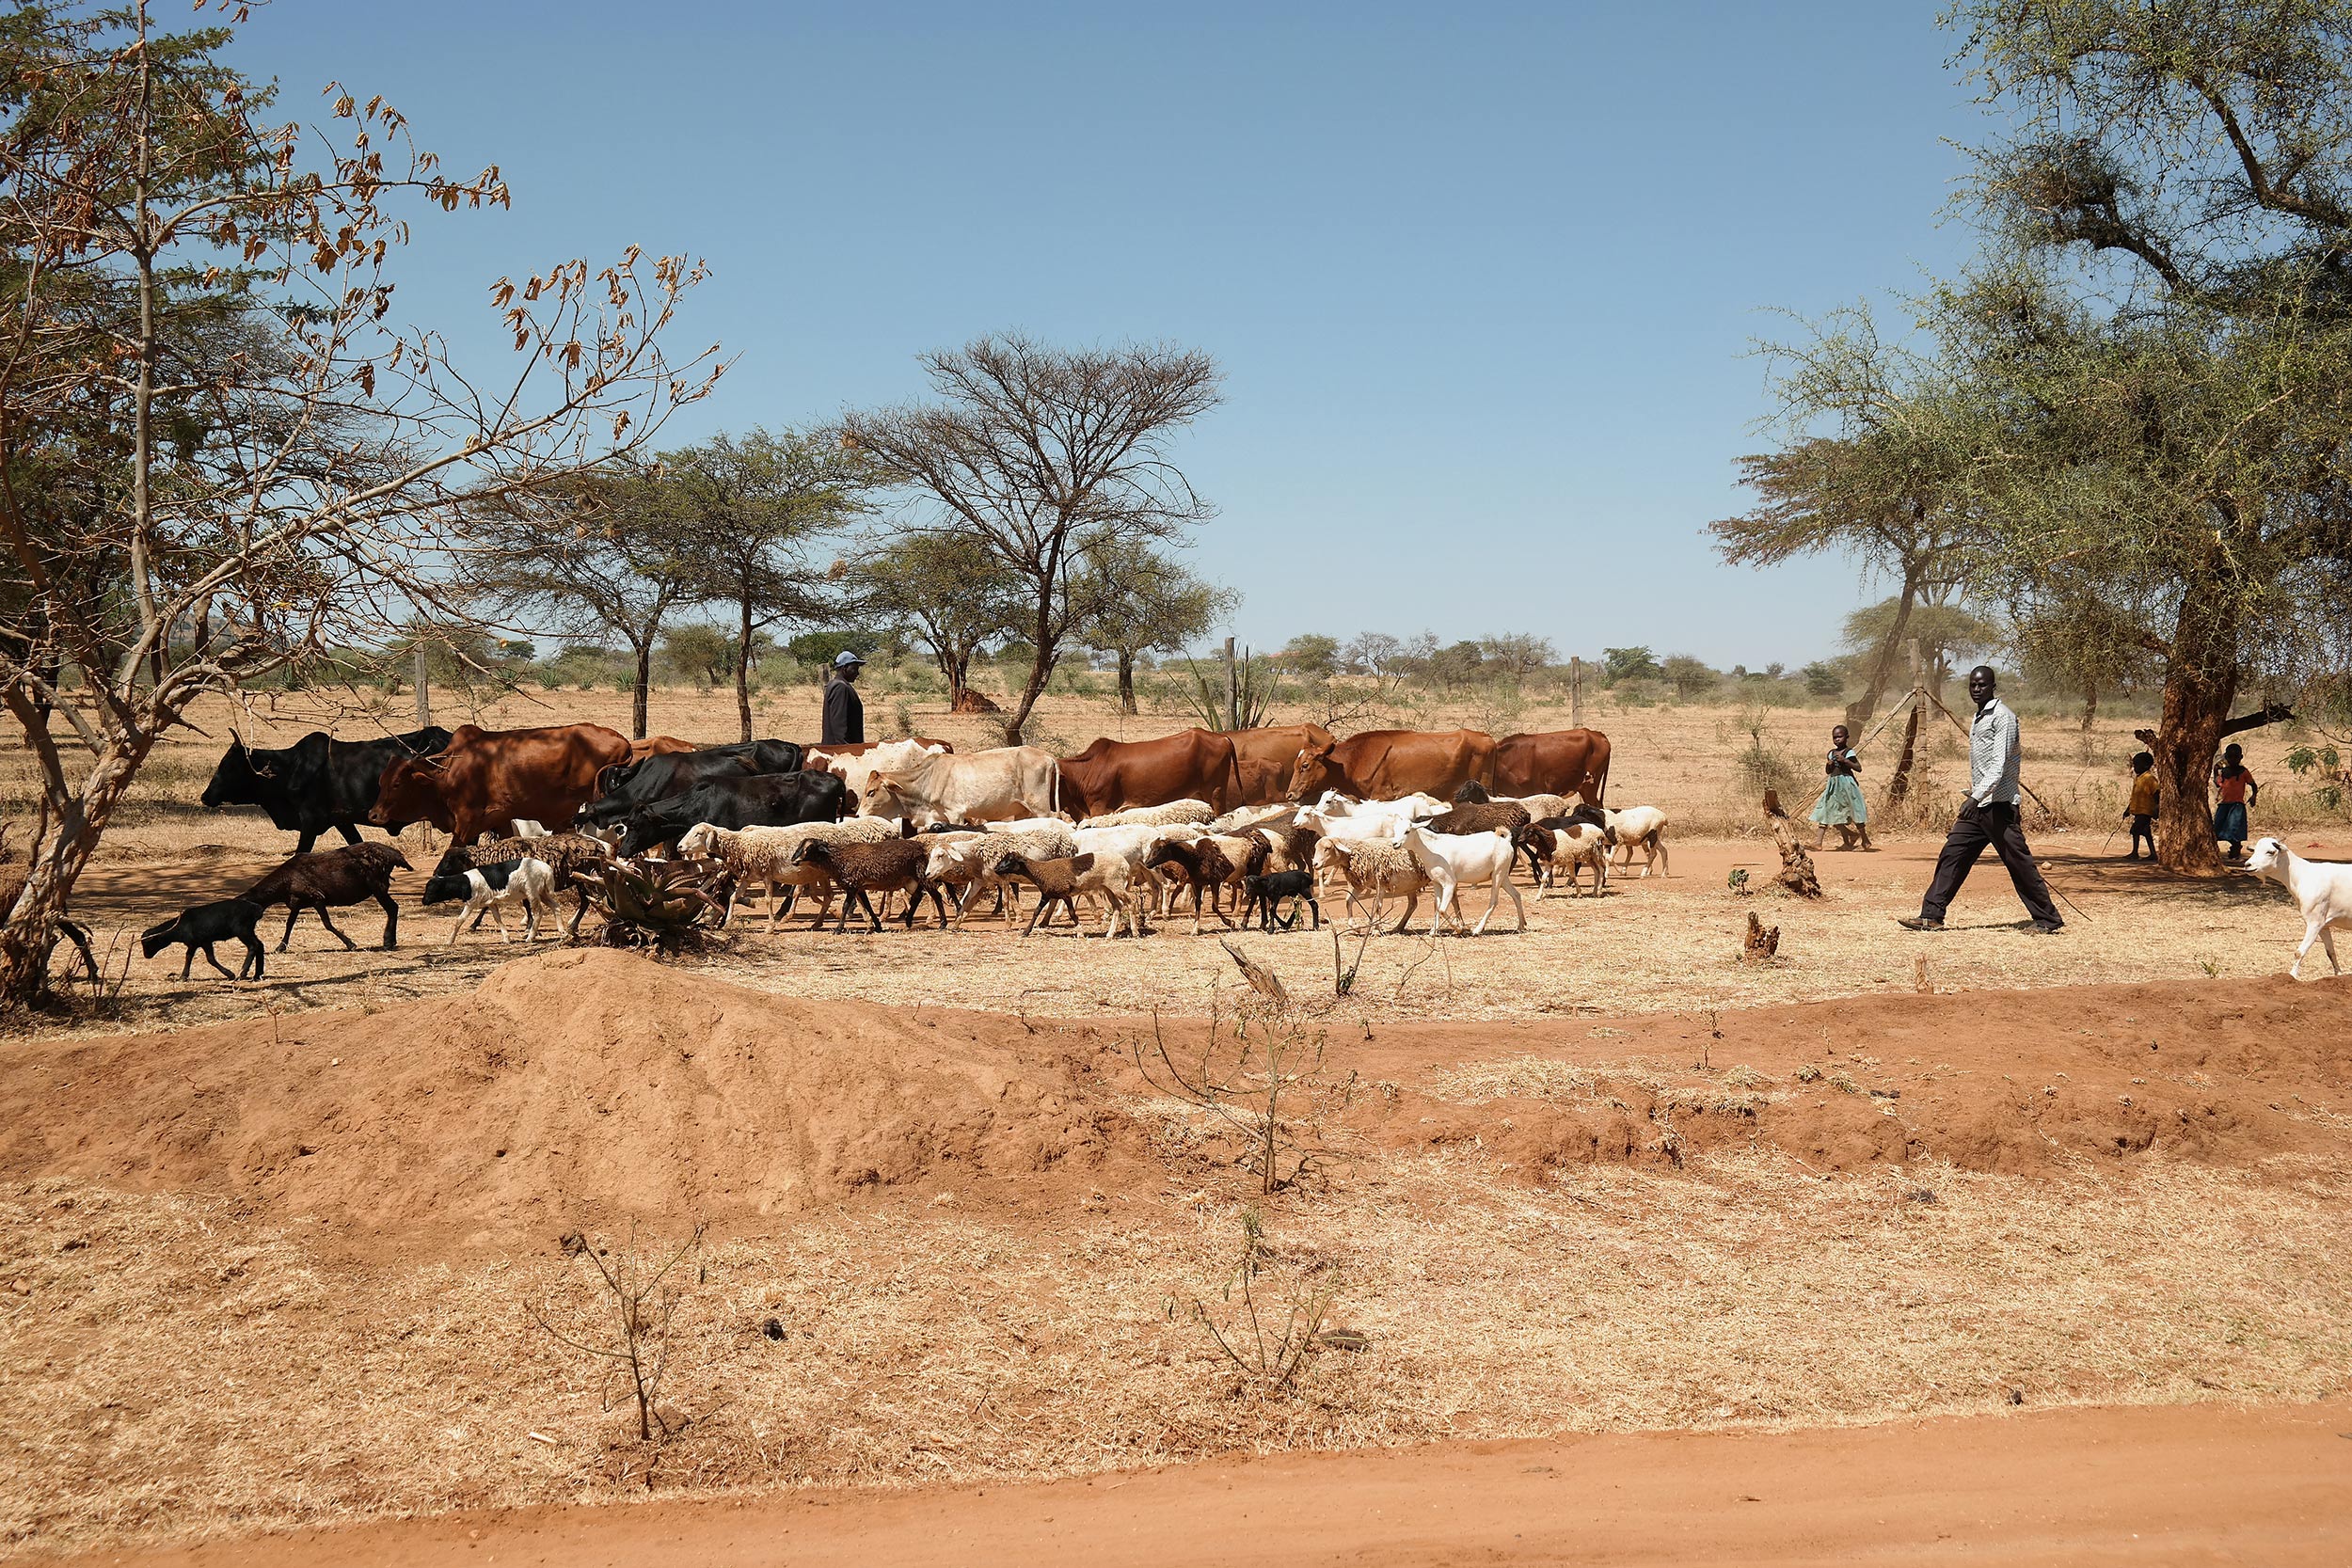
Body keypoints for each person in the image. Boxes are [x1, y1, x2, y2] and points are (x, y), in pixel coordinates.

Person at [1897, 665, 2064, 934]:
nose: (1976, 690)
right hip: (1979, 807)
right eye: (1973, 685)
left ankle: (2047, 919)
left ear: (1993, 686)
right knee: (1953, 855)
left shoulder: (2003, 718)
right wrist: (1975, 799)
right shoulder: (1979, 717)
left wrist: (1974, 798)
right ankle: (1931, 916)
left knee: (2019, 864)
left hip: (1999, 806)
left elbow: (1998, 766)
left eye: (1982, 685)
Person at [1809, 722, 1872, 851]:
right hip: (1833, 786)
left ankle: (1865, 840)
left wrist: (1845, 761)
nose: (1837, 739)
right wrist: (1829, 764)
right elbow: (1828, 771)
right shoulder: (1831, 753)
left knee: (1854, 811)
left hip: (1847, 785)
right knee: (1828, 809)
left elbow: (1858, 768)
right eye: (1834, 737)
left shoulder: (1849, 752)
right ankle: (1820, 842)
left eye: (1840, 737)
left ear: (1846, 737)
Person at [2212, 742, 2259, 862]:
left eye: (2236, 757)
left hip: (2237, 804)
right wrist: (2215, 771)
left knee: (2234, 829)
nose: (2233, 759)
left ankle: (2235, 848)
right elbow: (2218, 783)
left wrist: (2253, 796)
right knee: (2216, 828)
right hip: (2224, 804)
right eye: (2230, 757)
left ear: (2240, 757)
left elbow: (2253, 785)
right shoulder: (2224, 771)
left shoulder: (2243, 772)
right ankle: (2217, 850)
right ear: (2226, 758)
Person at [820, 650, 865, 747]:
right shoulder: (840, 687)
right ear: (845, 668)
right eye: (854, 669)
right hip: (840, 752)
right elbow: (839, 725)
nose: (857, 673)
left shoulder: (839, 684)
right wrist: (845, 750)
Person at [2123, 752, 2158, 861]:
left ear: (2146, 765)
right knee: (2146, 832)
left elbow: (2157, 792)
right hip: (2138, 810)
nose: (2135, 768)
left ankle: (2135, 853)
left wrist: (2157, 807)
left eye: (2137, 765)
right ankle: (2153, 853)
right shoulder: (2138, 778)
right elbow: (2135, 796)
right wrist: (2128, 810)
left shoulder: (2149, 778)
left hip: (2146, 810)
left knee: (2135, 830)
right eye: (2134, 765)